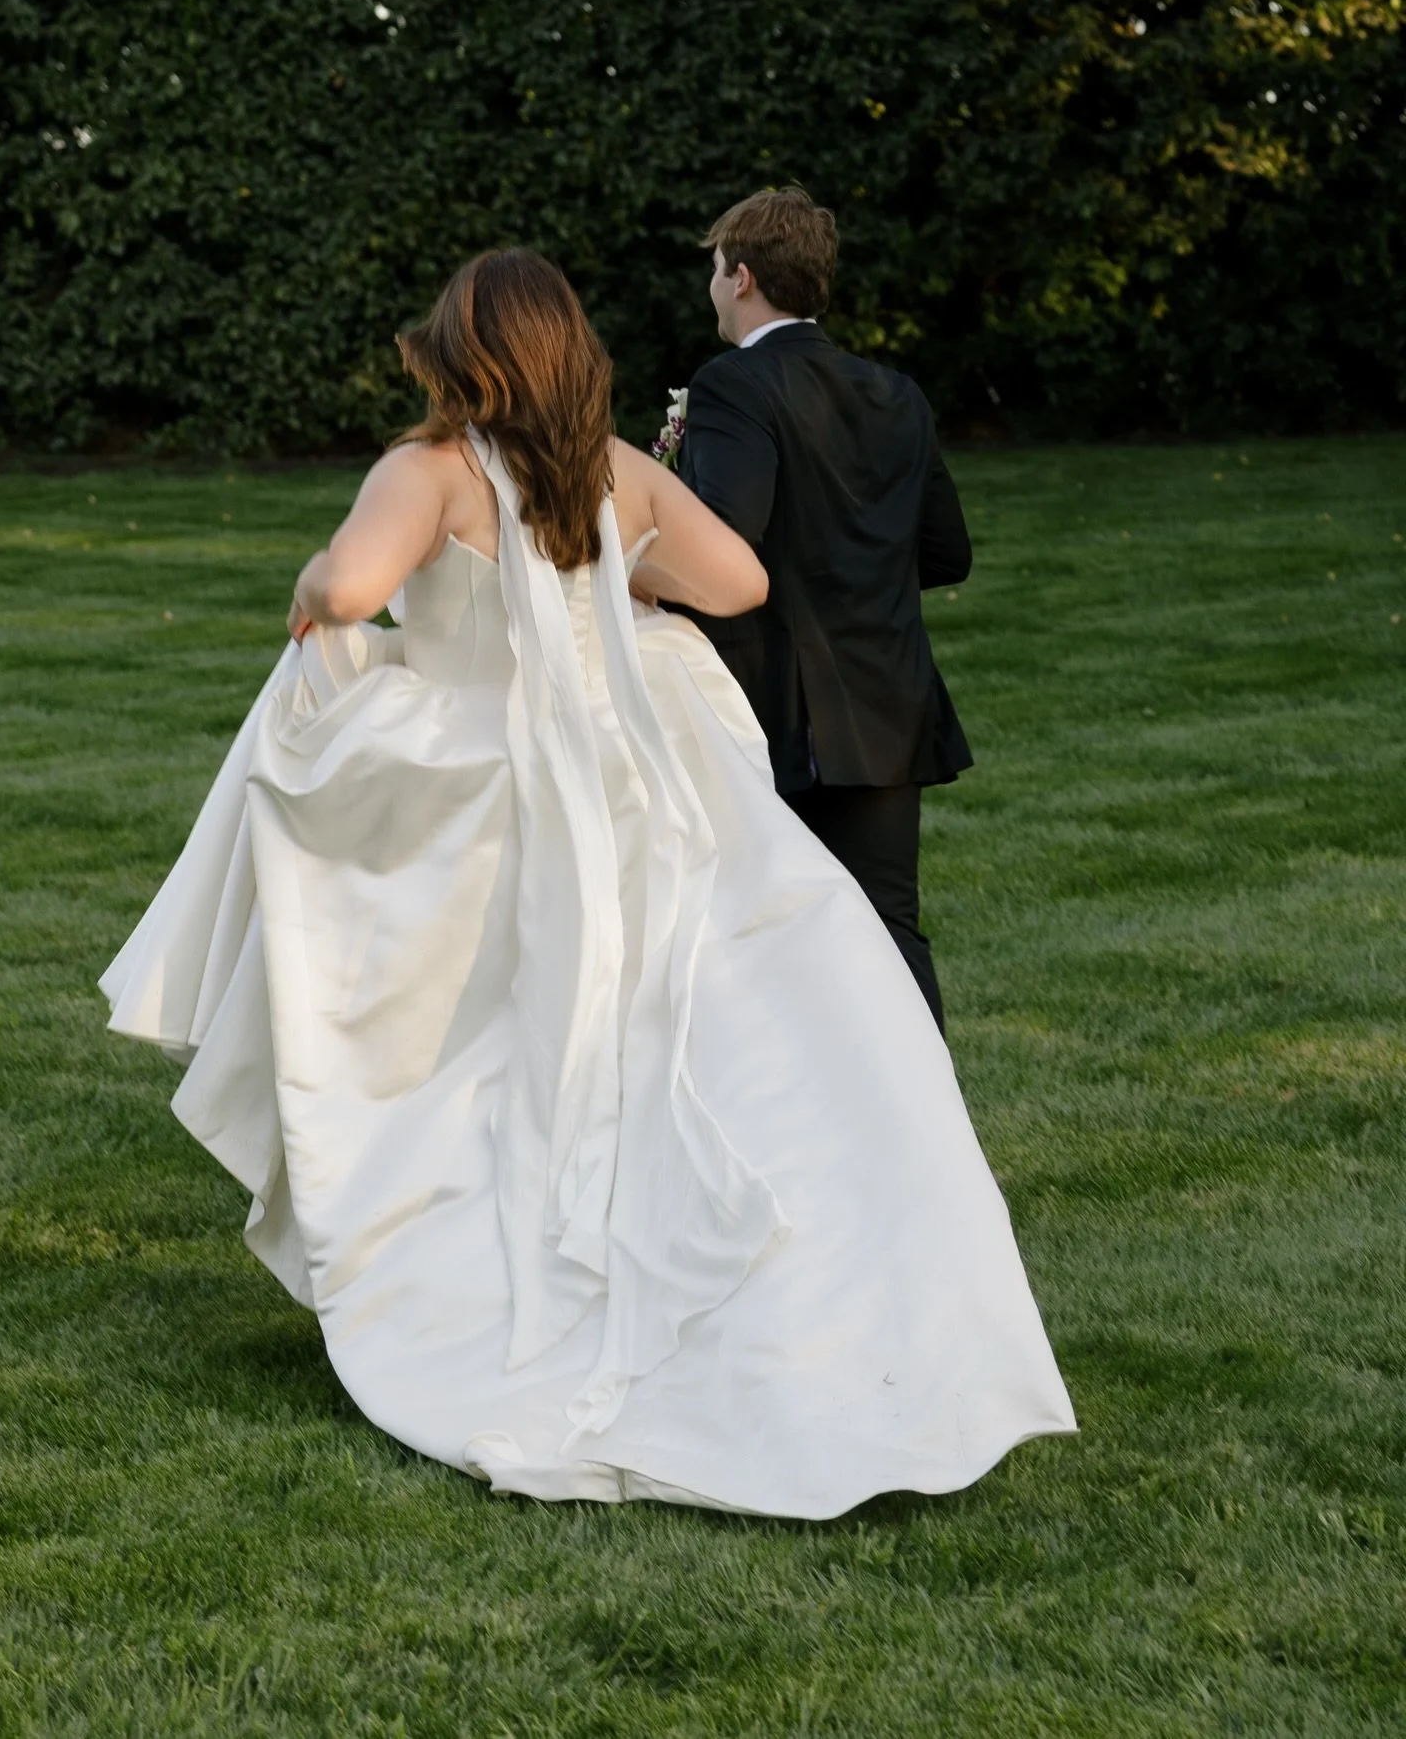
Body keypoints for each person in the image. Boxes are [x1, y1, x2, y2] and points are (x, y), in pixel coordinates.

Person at [101, 247, 1073, 1517]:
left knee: (496, 1037)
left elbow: (349, 588)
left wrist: (310, 592)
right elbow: (739, 582)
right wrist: (627, 578)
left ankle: (489, 1283)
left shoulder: (431, 470)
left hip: (497, 791)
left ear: (458, 354)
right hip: (625, 782)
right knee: (671, 1020)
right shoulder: (613, 470)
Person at [675, 186, 971, 1034]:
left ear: (743, 277)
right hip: (886, 700)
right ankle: (926, 1138)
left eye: (715, 271)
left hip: (774, 707)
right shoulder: (894, 392)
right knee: (889, 927)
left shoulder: (732, 386)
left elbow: (728, 539)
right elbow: (947, 553)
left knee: (759, 931)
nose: (713, 289)